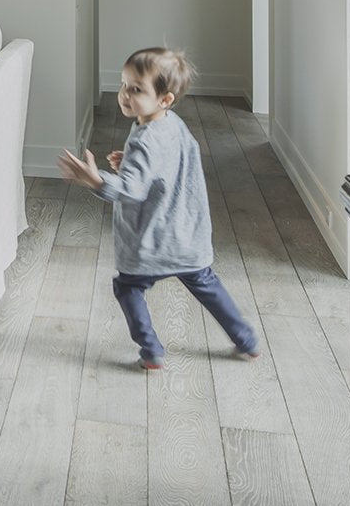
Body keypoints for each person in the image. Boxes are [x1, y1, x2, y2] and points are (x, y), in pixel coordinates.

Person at [57, 47, 259, 370]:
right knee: (206, 284)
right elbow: (173, 163)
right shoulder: (173, 125)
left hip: (153, 240)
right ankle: (245, 339)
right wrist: (134, 164)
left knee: (128, 288)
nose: (124, 94)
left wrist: (96, 180)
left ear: (165, 99)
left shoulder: (143, 140)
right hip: (187, 236)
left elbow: (132, 191)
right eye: (124, 84)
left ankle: (150, 349)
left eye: (136, 89)